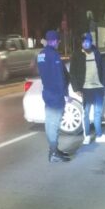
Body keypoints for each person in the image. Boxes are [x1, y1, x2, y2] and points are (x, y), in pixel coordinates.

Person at [69, 32, 105, 145]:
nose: (85, 43)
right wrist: (76, 88)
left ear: (91, 41)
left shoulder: (96, 52)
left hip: (98, 87)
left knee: (98, 113)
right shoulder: (77, 54)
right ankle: (87, 136)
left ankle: (98, 135)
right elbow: (72, 73)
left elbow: (103, 68)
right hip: (86, 88)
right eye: (83, 41)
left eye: (87, 41)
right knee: (86, 113)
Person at [37, 30, 70, 163]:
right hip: (56, 94)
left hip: (47, 92)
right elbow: (59, 76)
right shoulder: (54, 55)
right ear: (55, 41)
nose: (58, 44)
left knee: (50, 122)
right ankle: (54, 152)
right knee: (54, 124)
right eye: (58, 41)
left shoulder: (41, 54)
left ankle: (54, 150)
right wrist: (65, 94)